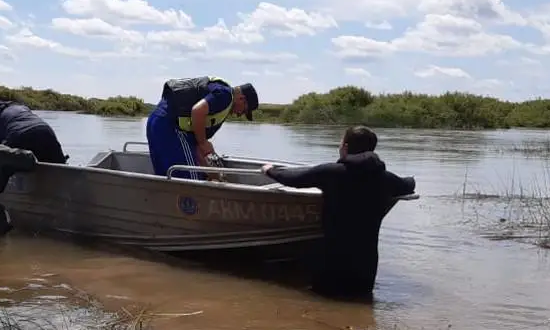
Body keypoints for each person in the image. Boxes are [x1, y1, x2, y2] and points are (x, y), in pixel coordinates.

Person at [261, 126, 416, 299]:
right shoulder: (386, 179)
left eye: (341, 143)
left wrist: (269, 170)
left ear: (346, 148)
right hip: (365, 270)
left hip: (331, 266)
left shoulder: (331, 173)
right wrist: (410, 180)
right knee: (362, 307)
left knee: (324, 307)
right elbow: (409, 184)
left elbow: (293, 178)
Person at [146, 77, 259, 180]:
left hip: (155, 121)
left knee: (165, 178)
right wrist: (203, 142)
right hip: (170, 126)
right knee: (190, 182)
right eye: (244, 110)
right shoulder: (225, 95)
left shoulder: (217, 100)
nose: (239, 114)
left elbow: (197, 147)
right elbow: (197, 110)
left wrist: (212, 172)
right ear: (241, 99)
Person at [0, 99, 69, 164]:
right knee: (59, 164)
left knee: (3, 159)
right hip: (45, 130)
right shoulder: (22, 107)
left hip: (20, 135)